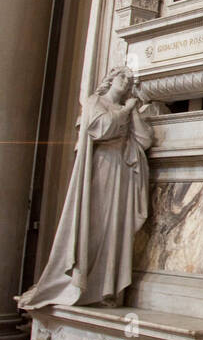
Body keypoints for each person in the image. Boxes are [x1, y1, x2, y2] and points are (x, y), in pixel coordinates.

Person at [18, 68, 153, 310]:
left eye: (130, 80)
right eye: (122, 77)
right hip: (101, 168)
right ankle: (83, 282)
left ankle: (105, 290)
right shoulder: (95, 101)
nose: (126, 82)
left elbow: (145, 139)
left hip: (121, 172)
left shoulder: (127, 110)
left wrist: (132, 114)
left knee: (113, 229)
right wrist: (127, 110)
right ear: (110, 80)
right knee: (94, 227)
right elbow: (101, 127)